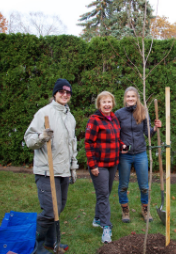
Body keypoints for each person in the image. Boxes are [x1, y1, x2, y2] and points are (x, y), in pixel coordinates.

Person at [24, 78, 78, 254]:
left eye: (68, 92)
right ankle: (35, 245)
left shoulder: (70, 117)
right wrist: (41, 137)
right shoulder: (43, 113)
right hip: (47, 170)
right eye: (61, 92)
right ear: (55, 93)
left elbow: (72, 144)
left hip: (63, 171)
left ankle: (50, 242)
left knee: (59, 208)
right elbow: (28, 139)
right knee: (49, 210)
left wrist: (73, 167)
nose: (65, 94)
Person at [115, 86, 162, 223]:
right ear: (125, 98)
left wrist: (155, 128)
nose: (130, 98)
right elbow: (114, 134)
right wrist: (120, 145)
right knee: (123, 185)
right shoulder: (119, 114)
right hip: (125, 155)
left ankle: (145, 210)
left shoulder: (143, 112)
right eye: (128, 96)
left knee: (144, 186)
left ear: (137, 98)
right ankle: (125, 210)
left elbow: (148, 134)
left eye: (133, 96)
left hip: (141, 153)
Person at [85, 91, 125, 244]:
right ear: (99, 105)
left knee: (105, 193)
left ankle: (97, 218)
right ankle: (106, 227)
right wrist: (93, 165)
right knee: (103, 195)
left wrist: (122, 145)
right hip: (99, 165)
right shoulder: (94, 120)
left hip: (112, 163)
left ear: (112, 103)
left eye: (109, 102)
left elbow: (116, 138)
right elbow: (88, 143)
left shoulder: (114, 118)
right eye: (104, 102)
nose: (107, 104)